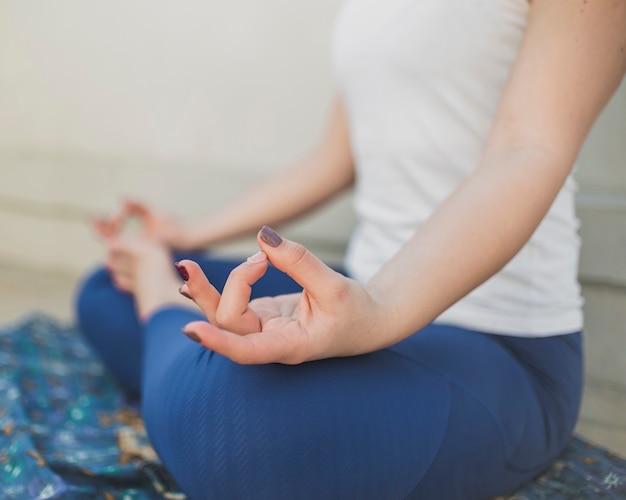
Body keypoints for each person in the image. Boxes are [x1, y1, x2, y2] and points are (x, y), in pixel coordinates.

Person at [76, 0, 626, 498]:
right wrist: (185, 236)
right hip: (363, 289)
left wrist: (379, 309)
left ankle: (166, 326)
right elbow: (335, 159)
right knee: (106, 289)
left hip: (499, 342)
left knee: (237, 430)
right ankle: (172, 342)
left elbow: (529, 148)